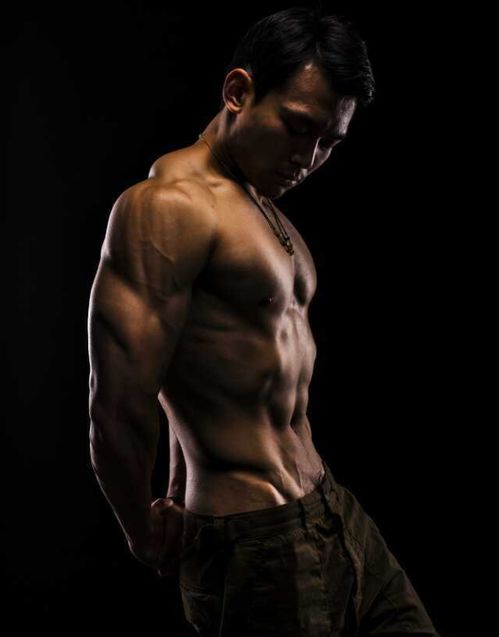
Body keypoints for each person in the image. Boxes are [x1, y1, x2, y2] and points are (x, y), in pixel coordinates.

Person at [87, 6, 440, 637]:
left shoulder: (257, 201)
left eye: (329, 142)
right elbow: (118, 403)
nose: (308, 157)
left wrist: (176, 481)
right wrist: (142, 530)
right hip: (257, 545)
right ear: (238, 91)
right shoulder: (167, 206)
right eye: (298, 127)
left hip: (333, 511)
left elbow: (199, 364)